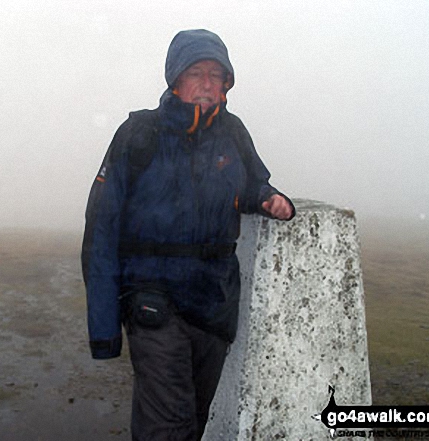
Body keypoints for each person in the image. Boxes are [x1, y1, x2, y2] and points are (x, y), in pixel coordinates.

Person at [82, 29, 295, 441]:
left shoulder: (232, 133)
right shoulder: (140, 134)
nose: (207, 83)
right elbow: (101, 229)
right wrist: (104, 328)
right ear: (175, 79)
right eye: (196, 72)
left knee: (194, 420)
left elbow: (252, 182)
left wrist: (268, 198)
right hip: (152, 300)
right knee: (169, 427)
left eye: (217, 75)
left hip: (213, 301)